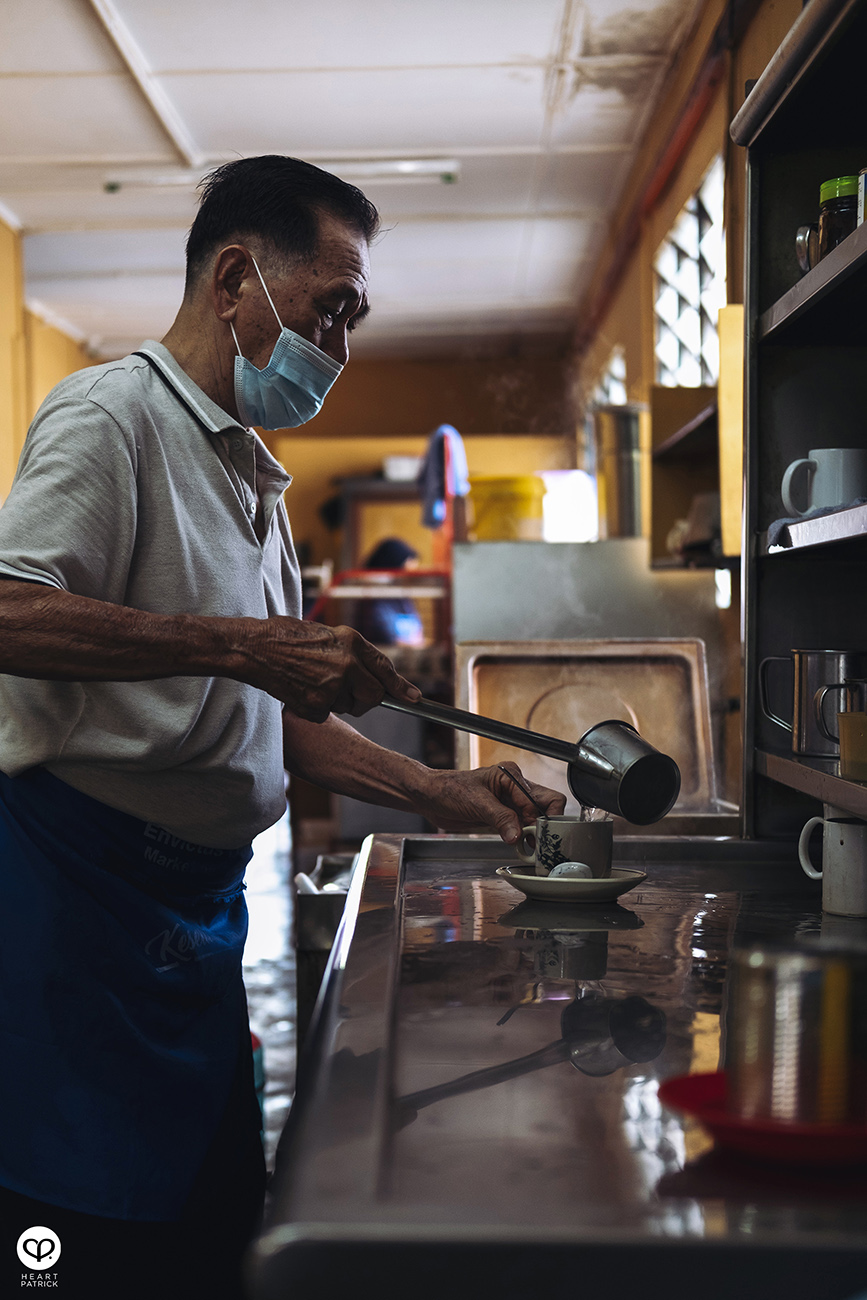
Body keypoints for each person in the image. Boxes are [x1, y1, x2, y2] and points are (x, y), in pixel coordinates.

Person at [0, 155, 564, 1298]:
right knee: (77, 1234)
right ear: (234, 278)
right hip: (75, 907)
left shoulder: (250, 475)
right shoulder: (112, 418)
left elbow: (269, 715)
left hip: (196, 913)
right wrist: (244, 642)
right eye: (332, 309)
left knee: (208, 1228)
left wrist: (441, 793)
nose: (341, 348)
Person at [354, 536, 425, 646]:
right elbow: (390, 638)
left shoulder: (404, 599)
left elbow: (418, 634)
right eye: (405, 574)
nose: (408, 580)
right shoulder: (374, 603)